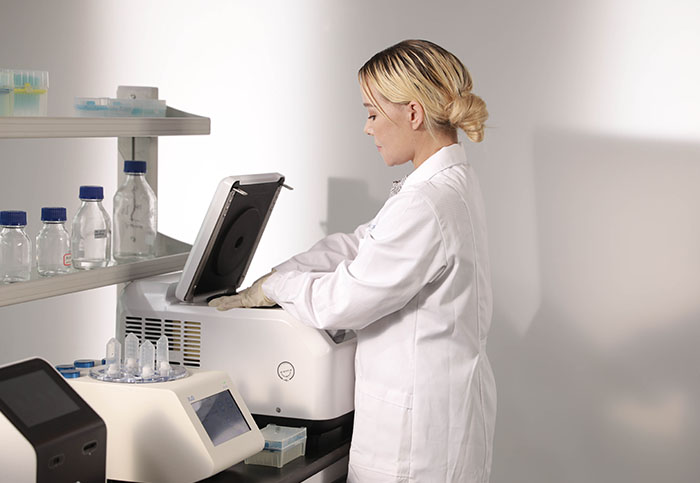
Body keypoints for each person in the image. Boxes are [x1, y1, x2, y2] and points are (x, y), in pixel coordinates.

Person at [210, 39, 496, 482]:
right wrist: (283, 272)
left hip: (415, 441)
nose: (367, 128)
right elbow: (363, 243)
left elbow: (344, 301)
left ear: (413, 113)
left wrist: (275, 288)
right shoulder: (449, 183)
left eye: (373, 113)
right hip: (443, 416)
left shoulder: (426, 202)